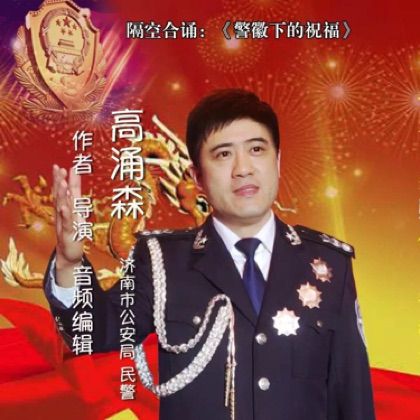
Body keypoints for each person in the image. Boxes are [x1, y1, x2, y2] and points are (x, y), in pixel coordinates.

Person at [44, 89, 376, 420]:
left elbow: (353, 396)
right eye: (223, 154)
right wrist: (69, 264)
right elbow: (93, 332)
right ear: (197, 178)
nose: (243, 169)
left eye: (256, 149)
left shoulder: (328, 264)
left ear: (277, 162)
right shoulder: (162, 262)